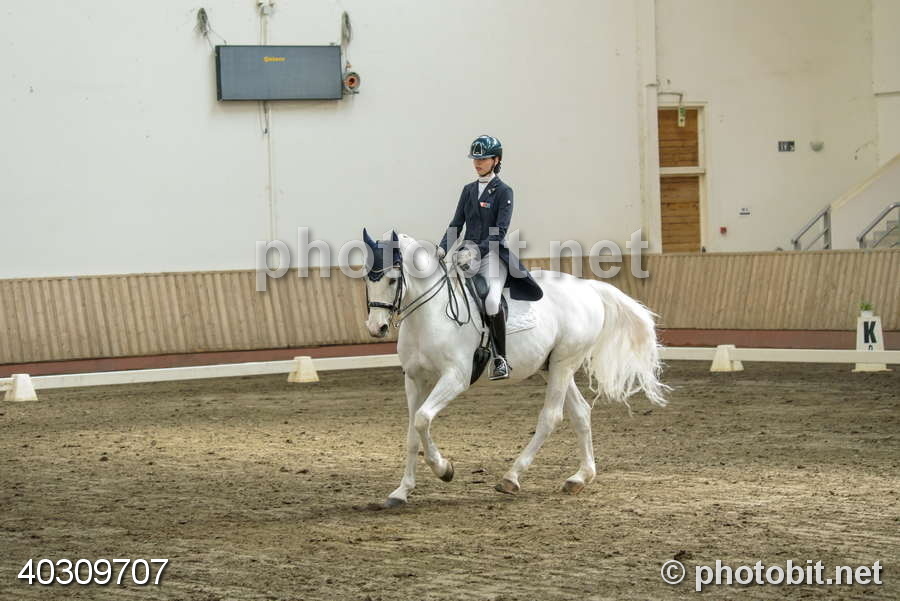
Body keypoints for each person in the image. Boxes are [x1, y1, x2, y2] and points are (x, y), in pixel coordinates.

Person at [438, 135, 543, 380]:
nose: (478, 163)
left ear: (496, 160)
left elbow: (499, 232)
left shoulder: (504, 192)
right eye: (475, 159)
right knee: (445, 294)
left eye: (483, 159)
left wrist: (475, 251)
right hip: (465, 257)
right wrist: (442, 249)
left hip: (492, 258)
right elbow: (456, 224)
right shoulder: (468, 190)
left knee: (492, 302)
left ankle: (500, 359)